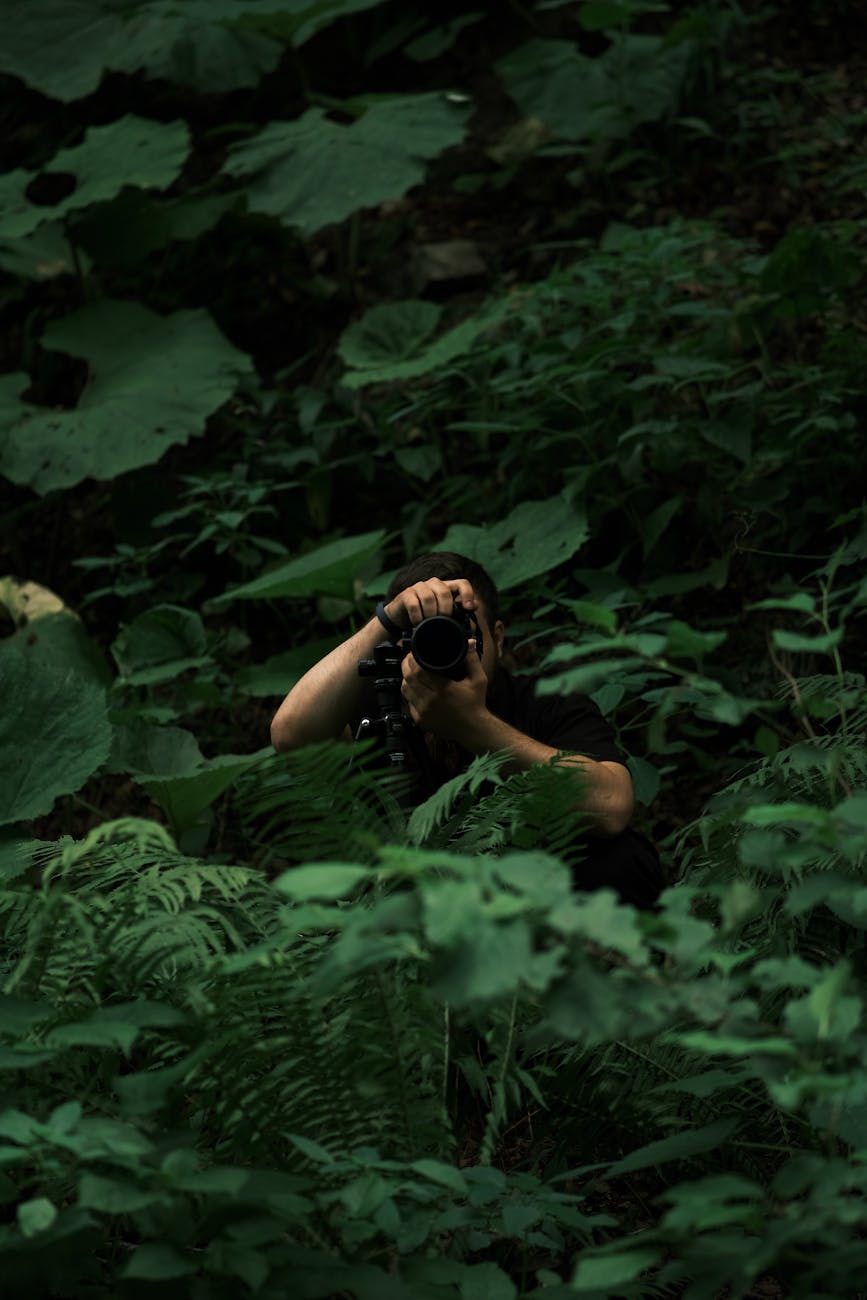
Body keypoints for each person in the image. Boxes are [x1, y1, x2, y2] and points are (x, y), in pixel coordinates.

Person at [270, 552, 663, 908]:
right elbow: (291, 734)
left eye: (463, 630)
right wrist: (386, 620)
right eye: (422, 633)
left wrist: (475, 727)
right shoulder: (383, 708)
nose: (448, 645)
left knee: (620, 857)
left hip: (538, 911)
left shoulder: (546, 704)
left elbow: (611, 807)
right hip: (419, 919)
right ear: (396, 647)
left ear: (498, 636)